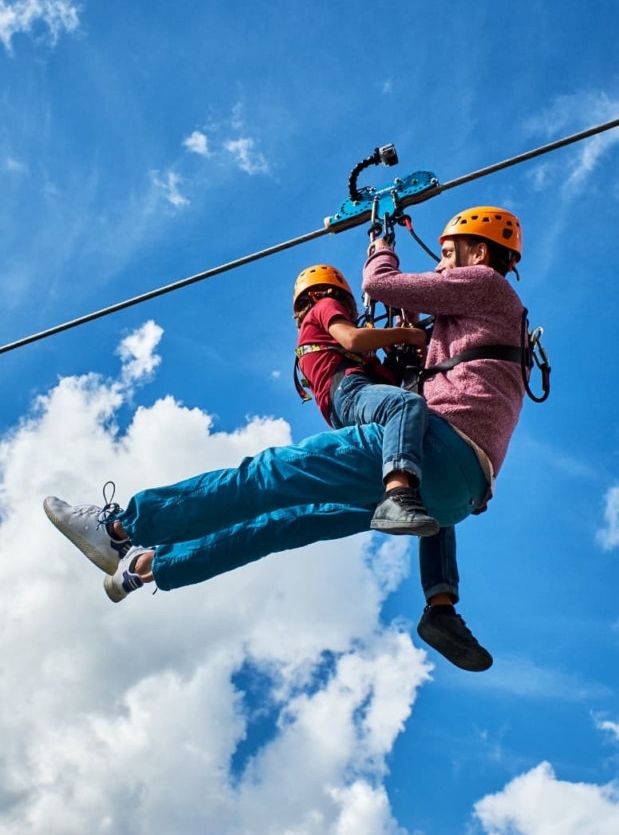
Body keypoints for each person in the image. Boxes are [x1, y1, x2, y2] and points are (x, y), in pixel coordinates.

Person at [44, 205, 526, 673]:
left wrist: (380, 245)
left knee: (266, 476)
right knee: (288, 523)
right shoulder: (484, 328)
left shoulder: (483, 283)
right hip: (459, 494)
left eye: (447, 255)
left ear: (478, 256)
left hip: (434, 450)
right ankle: (151, 566)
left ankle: (119, 531)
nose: (441, 267)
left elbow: (380, 283)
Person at [293, 263, 437, 535]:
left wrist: (399, 353)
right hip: (349, 392)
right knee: (404, 404)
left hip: (347, 407)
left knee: (427, 468)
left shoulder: (320, 339)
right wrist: (408, 333)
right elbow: (352, 339)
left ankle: (440, 578)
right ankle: (395, 499)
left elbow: (389, 382)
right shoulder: (324, 304)